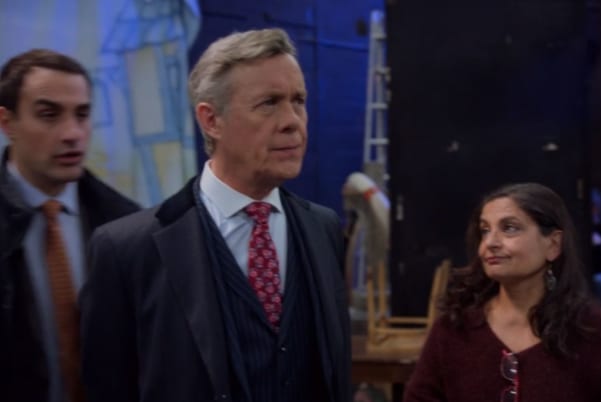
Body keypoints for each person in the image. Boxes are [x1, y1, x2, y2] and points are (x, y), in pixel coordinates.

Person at [79, 28, 351, 402]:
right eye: (269, 103)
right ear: (211, 120)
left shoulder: (323, 228)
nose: (293, 121)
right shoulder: (126, 249)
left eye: (298, 101)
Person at [404, 183, 601, 402]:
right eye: (485, 230)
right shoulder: (454, 330)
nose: (490, 242)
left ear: (553, 244)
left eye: (509, 228)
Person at [0, 49, 140, 402]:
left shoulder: (127, 223)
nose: (72, 133)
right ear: (7, 122)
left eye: (82, 114)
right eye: (49, 115)